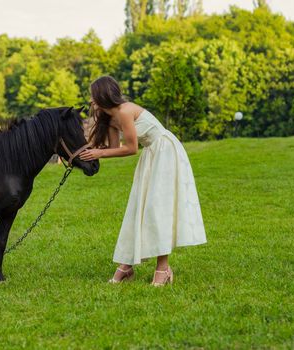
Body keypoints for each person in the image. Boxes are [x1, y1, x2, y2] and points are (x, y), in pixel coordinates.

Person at [79, 76, 207, 287]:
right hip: (152, 155)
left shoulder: (125, 111)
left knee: (157, 209)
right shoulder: (109, 118)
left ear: (102, 95)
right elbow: (116, 147)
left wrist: (98, 154)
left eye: (93, 96)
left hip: (165, 151)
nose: (91, 101)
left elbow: (131, 148)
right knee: (138, 208)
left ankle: (163, 269)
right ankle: (126, 266)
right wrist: (92, 152)